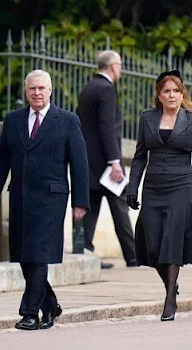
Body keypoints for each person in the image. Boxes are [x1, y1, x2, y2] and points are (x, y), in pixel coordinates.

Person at [0, 70, 90, 330]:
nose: (37, 93)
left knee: (39, 254)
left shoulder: (67, 120)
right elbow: (0, 159)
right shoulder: (13, 120)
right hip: (20, 195)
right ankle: (50, 305)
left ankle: (29, 313)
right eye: (32, 89)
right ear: (26, 91)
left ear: (50, 90)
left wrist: (80, 201)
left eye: (42, 88)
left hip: (51, 198)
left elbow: (79, 164)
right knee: (24, 255)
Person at [126, 70, 192, 321]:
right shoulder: (147, 118)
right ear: (159, 95)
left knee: (171, 241)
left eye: (176, 90)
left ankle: (169, 300)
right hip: (153, 186)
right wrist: (132, 187)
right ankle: (171, 286)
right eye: (167, 91)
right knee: (152, 244)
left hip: (182, 186)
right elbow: (140, 155)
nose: (172, 95)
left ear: (182, 93)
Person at [77, 50, 136, 269]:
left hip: (89, 162)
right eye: (119, 64)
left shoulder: (87, 88)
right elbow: (107, 127)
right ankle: (132, 257)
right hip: (106, 165)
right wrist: (115, 162)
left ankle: (85, 254)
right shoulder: (106, 90)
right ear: (113, 66)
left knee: (90, 210)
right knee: (120, 209)